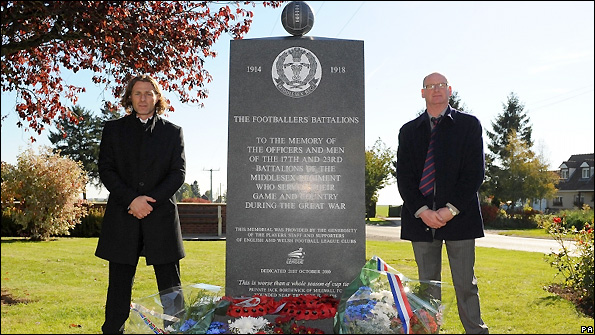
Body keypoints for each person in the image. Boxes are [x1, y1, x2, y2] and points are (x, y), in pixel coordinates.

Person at [396, 72, 489, 333]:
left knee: (465, 285)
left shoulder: (469, 125)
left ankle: (476, 330)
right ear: (422, 92)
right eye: (430, 86)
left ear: (450, 91)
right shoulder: (408, 131)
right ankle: (428, 330)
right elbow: (404, 177)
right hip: (421, 221)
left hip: (460, 219)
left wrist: (450, 210)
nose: (436, 90)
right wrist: (423, 211)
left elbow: (474, 173)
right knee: (427, 287)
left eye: (441, 86)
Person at [95, 74, 186, 334]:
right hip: (124, 217)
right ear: (130, 98)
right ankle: (113, 330)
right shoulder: (113, 130)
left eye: (149, 93)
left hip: (161, 218)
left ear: (157, 98)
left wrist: (149, 202)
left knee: (171, 287)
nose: (143, 98)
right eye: (138, 93)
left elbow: (178, 173)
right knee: (119, 286)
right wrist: (132, 200)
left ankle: (178, 331)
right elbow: (106, 169)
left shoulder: (172, 132)